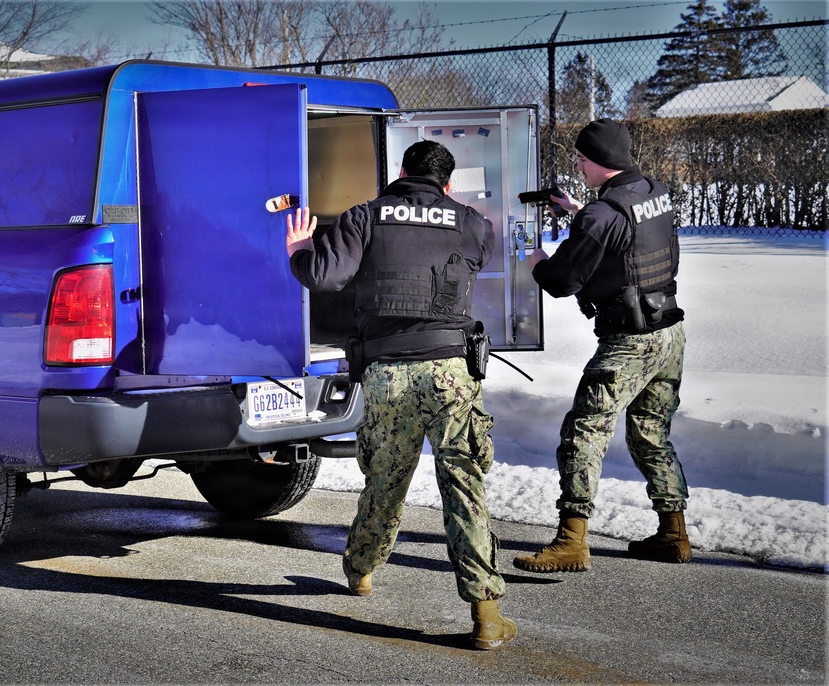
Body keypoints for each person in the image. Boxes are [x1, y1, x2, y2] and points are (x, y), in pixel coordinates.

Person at [285, 140, 515, 650]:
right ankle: (486, 614)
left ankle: (361, 572)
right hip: (452, 372)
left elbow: (325, 276)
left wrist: (299, 249)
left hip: (389, 371)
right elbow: (474, 260)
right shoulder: (474, 222)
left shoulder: (364, 216)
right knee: (465, 487)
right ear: (447, 184)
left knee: (385, 480)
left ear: (402, 172)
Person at [513, 118, 691, 574]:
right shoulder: (653, 191)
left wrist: (536, 258)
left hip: (629, 341)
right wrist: (577, 211)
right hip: (668, 333)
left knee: (583, 433)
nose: (577, 164)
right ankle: (674, 534)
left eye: (580, 158)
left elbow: (561, 280)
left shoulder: (602, 214)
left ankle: (571, 541)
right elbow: (623, 235)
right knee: (651, 432)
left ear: (597, 162)